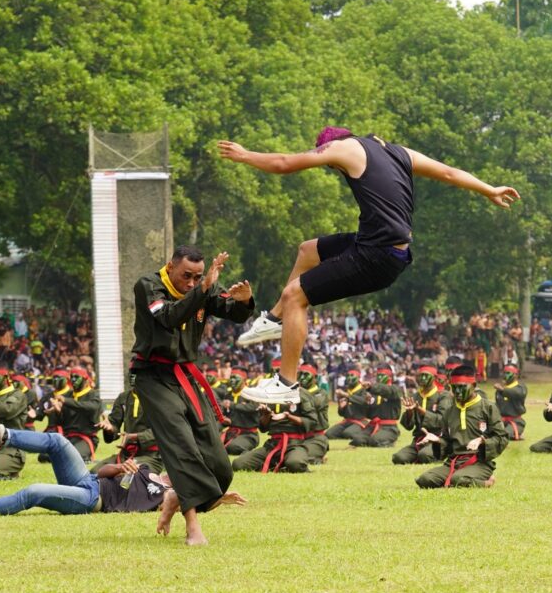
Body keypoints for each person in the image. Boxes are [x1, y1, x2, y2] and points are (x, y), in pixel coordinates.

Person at [218, 128, 519, 404]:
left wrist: (245, 155)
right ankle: (274, 319)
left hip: (378, 255)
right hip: (383, 248)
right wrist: (488, 189)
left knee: (296, 295)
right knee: (308, 251)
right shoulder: (397, 151)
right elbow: (449, 172)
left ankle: (286, 384)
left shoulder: (339, 148)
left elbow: (284, 163)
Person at [130, 245, 255, 545]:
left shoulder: (203, 286)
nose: (190, 282)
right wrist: (204, 288)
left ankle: (175, 496)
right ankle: (193, 526)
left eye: (196, 277)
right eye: (186, 275)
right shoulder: (148, 286)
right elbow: (170, 317)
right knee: (180, 443)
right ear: (170, 266)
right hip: (152, 376)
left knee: (220, 464)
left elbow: (232, 312)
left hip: (185, 375)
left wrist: (244, 300)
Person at [0, 410, 246, 520]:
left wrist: (217, 499)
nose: (174, 469)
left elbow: (186, 503)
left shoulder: (164, 497)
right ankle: (4, 435)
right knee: (58, 442)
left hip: (92, 500)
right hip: (89, 481)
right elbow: (102, 473)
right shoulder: (149, 471)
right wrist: (120, 467)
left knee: (33, 490)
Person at [415, 366, 507, 488]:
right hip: (454, 462)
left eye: (462, 387)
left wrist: (483, 441)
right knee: (425, 479)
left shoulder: (488, 407)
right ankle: (457, 480)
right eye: (454, 388)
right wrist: (437, 440)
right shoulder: (450, 411)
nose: (457, 392)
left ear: (473, 385)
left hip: (479, 462)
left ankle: (486, 482)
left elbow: (502, 438)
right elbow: (447, 444)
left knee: (458, 479)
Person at [92, 377, 163, 474]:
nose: (133, 375)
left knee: (129, 477)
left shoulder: (158, 399)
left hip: (151, 456)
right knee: (94, 473)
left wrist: (135, 437)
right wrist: (110, 429)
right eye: (131, 371)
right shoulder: (123, 397)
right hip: (125, 455)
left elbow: (162, 430)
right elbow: (114, 425)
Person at [393, 363, 453, 465]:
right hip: (419, 439)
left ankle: (443, 452)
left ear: (434, 377)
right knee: (399, 458)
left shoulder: (443, 395)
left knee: (424, 456)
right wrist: (409, 412)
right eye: (421, 376)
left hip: (437, 439)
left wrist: (420, 410)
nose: (423, 378)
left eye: (426, 375)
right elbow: (408, 426)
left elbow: (442, 421)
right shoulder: (415, 396)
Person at [42, 366, 102, 463]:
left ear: (85, 379)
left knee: (71, 457)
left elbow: (91, 407)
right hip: (68, 437)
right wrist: (58, 411)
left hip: (86, 438)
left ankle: (86, 457)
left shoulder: (93, 394)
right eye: (72, 377)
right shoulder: (68, 396)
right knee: (44, 456)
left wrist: (66, 401)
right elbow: (61, 421)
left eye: (76, 377)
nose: (73, 380)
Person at [348, 365, 402, 447]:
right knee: (357, 440)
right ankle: (375, 438)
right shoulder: (373, 393)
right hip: (373, 425)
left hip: (389, 427)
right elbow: (369, 415)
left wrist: (371, 387)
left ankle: (390, 441)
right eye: (378, 375)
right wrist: (367, 403)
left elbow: (385, 390)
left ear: (389, 377)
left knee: (375, 441)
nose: (379, 378)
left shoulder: (395, 390)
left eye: (382, 375)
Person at [221, 368, 261, 456]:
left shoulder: (252, 393)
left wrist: (233, 405)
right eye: (231, 378)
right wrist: (224, 419)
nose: (233, 381)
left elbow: (254, 407)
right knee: (212, 444)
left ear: (244, 380)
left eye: (236, 378)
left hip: (248, 434)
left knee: (233, 447)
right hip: (231, 432)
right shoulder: (228, 395)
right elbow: (224, 415)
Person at [297, 364, 331, 465]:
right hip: (298, 437)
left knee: (303, 459)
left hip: (315, 437)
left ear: (315, 378)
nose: (302, 378)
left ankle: (319, 456)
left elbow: (313, 404)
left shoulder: (321, 394)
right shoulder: (295, 393)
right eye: (300, 374)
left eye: (306, 374)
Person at [325, 369, 373, 440]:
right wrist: (341, 408)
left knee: (348, 433)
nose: (349, 378)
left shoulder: (363, 391)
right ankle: (346, 433)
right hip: (348, 421)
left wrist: (347, 396)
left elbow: (362, 401)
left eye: (352, 376)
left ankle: (364, 432)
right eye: (348, 376)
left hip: (361, 421)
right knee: (329, 434)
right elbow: (341, 414)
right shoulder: (347, 391)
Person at [492, 364, 528, 440]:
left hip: (515, 421)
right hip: (501, 421)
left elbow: (518, 394)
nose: (505, 375)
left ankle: (516, 432)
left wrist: (502, 390)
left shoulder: (521, 388)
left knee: (504, 435)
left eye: (508, 373)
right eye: (504, 372)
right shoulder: (500, 390)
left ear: (516, 375)